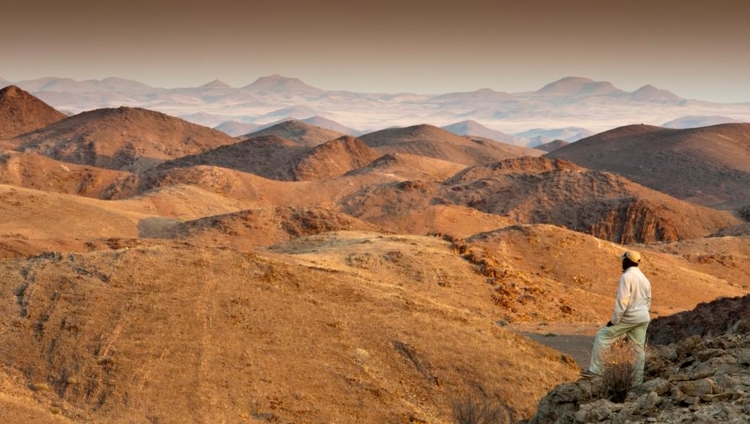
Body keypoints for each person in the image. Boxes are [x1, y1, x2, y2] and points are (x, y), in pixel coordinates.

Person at [582, 250, 652, 385]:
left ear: (627, 261)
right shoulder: (644, 279)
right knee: (638, 350)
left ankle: (597, 371)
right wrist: (642, 312)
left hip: (630, 316)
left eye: (623, 260)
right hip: (643, 316)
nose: (621, 262)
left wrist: (615, 320)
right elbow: (648, 299)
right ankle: (637, 382)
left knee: (602, 336)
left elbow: (622, 301)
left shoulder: (626, 277)